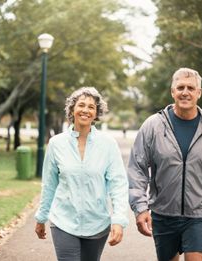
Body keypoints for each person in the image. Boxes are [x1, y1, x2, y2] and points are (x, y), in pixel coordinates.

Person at [128, 68, 202, 261]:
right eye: (180, 87)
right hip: (163, 214)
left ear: (199, 93)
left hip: (199, 214)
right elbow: (137, 168)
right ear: (172, 91)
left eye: (191, 88)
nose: (185, 92)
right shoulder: (153, 126)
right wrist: (140, 208)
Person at [35, 87, 129, 261]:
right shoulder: (56, 143)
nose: (86, 110)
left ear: (96, 113)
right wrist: (42, 217)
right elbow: (49, 183)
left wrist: (118, 219)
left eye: (91, 107)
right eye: (81, 105)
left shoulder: (108, 144)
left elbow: (118, 184)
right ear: (72, 109)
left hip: (97, 223)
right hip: (63, 221)